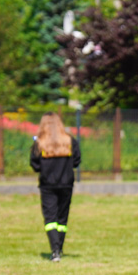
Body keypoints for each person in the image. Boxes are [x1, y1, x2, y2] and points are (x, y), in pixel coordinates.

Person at [30, 112, 81, 262]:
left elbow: (34, 164)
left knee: (50, 217)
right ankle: (59, 248)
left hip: (47, 184)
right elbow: (77, 161)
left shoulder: (39, 142)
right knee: (62, 218)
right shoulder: (70, 141)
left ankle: (55, 251)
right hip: (66, 183)